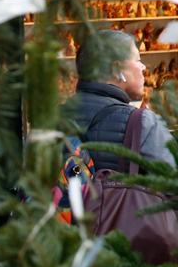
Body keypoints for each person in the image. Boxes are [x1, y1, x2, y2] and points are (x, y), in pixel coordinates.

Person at [66, 29, 176, 173]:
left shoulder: (51, 119)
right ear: (117, 69)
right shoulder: (140, 123)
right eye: (138, 60)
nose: (143, 67)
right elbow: (170, 186)